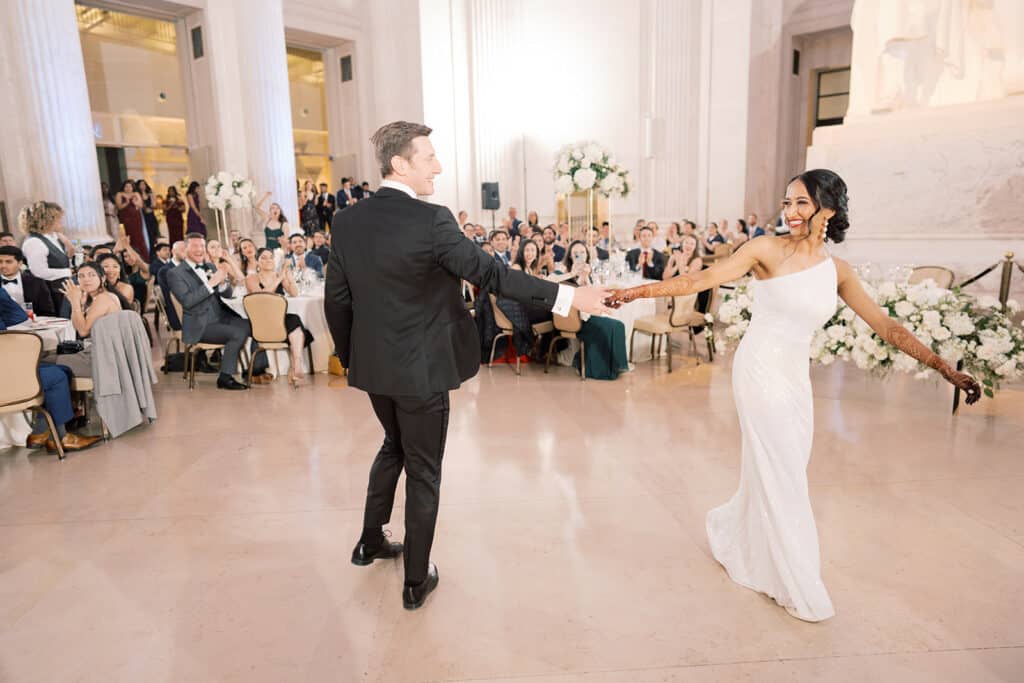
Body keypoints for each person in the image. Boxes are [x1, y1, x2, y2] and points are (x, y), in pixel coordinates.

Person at [605, 169, 982, 622]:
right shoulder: (765, 249)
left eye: (801, 203)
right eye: (787, 203)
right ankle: (797, 580)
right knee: (783, 472)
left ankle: (741, 537)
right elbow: (699, 280)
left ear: (829, 208)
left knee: (781, 468)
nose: (791, 212)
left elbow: (887, 327)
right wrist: (634, 292)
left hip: (794, 380)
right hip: (759, 370)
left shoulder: (838, 271)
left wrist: (944, 368)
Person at [324, 120, 609, 611]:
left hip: (375, 368)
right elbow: (493, 274)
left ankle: (371, 542)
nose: (439, 165)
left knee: (393, 445)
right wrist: (570, 294)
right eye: (429, 156)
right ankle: (416, 580)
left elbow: (337, 301)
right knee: (424, 469)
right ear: (400, 164)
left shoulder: (347, 222)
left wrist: (355, 360)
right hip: (421, 372)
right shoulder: (432, 220)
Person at [165, 233, 254, 390]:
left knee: (253, 325)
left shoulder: (210, 267)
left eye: (201, 246)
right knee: (237, 333)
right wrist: (212, 282)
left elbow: (227, 294)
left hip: (220, 317)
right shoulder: (175, 273)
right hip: (199, 324)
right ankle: (225, 377)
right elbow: (188, 301)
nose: (199, 250)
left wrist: (222, 283)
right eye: (194, 246)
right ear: (185, 249)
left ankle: (254, 370)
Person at [245, 248, 314, 387]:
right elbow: (261, 297)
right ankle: (295, 366)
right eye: (264, 257)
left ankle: (296, 363)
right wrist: (279, 279)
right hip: (262, 322)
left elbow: (294, 293)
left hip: (280, 320)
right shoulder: (252, 278)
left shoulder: (279, 275)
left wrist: (288, 277)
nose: (268, 260)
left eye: (271, 257)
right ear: (258, 261)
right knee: (295, 322)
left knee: (294, 319)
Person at [51, 263, 125, 378]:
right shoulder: (98, 298)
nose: (86, 279)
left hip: (102, 360)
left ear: (102, 278)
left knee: (42, 361)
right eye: (81, 276)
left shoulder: (103, 298)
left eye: (91, 275)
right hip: (100, 353)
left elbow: (83, 332)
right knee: (49, 357)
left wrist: (74, 302)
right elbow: (77, 327)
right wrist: (79, 305)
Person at [19, 200, 74, 314]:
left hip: (62, 289)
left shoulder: (53, 237)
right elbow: (39, 272)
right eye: (58, 218)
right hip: (51, 293)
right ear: (46, 220)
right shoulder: (34, 242)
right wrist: (68, 272)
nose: (61, 221)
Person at [0, 245, 56, 316]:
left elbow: (48, 312)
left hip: (32, 324)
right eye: (0, 261)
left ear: (20, 263)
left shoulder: (37, 283)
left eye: (8, 262)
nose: (3, 265)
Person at [136, 179, 160, 250]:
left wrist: (149, 207)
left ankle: (154, 249)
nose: (142, 186)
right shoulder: (137, 195)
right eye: (140, 184)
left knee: (153, 232)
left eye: (144, 184)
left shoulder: (150, 194)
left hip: (150, 215)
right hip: (142, 216)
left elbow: (154, 205)